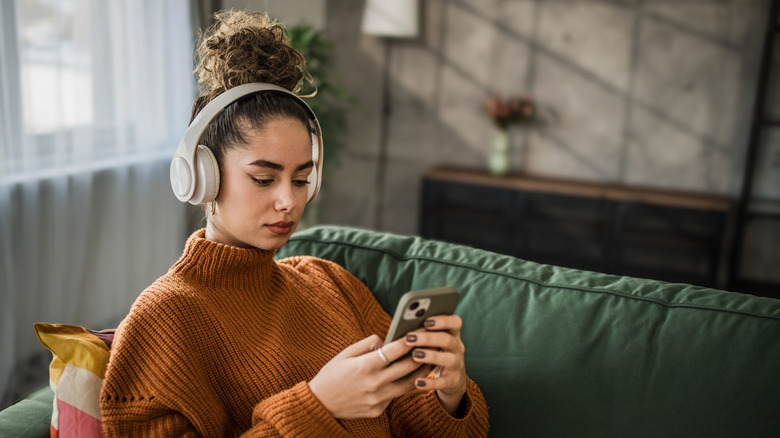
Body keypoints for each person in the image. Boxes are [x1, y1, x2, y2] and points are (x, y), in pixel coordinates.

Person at [100, 10, 489, 437]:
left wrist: (447, 393)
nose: (289, 201)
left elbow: (413, 421)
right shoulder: (164, 320)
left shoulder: (329, 284)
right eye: (264, 179)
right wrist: (319, 406)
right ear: (201, 177)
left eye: (302, 179)